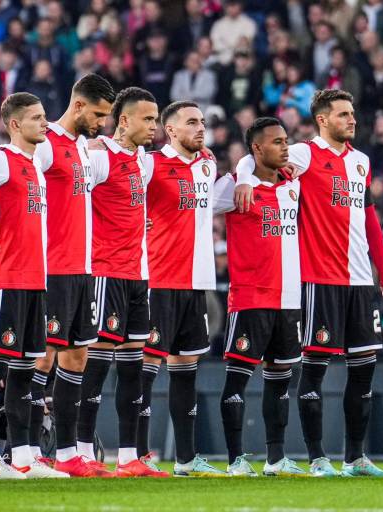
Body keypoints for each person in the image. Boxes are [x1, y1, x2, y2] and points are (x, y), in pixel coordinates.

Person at [235, 90, 383, 477]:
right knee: (315, 369)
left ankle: (355, 457)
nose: (352, 120)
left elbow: (370, 219)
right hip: (319, 279)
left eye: (353, 113)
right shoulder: (306, 155)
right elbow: (253, 157)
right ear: (323, 120)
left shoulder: (361, 162)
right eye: (343, 114)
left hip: (361, 282)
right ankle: (318, 457)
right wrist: (242, 178)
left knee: (363, 371)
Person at [0, 92, 67, 479]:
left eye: (45, 116)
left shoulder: (36, 167)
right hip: (5, 279)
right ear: (14, 125)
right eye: (37, 118)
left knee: (25, 372)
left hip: (34, 280)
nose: (45, 123)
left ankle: (24, 457)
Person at [79, 87, 168, 478]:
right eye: (148, 119)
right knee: (94, 365)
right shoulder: (99, 158)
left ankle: (129, 456)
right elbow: (69, 194)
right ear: (125, 120)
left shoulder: (143, 161)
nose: (155, 126)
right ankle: (81, 451)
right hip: (104, 272)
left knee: (132, 368)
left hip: (138, 274)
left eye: (156, 119)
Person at [31, 74, 116, 477]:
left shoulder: (84, 148)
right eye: (99, 114)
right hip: (52, 268)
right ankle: (27, 452)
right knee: (42, 358)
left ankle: (66, 454)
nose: (103, 123)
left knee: (78, 357)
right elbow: (15, 186)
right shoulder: (44, 143)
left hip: (83, 269)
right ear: (79, 106)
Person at [214, 117, 306, 477]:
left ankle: (275, 458)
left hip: (289, 298)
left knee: (280, 380)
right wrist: (243, 172)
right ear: (256, 149)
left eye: (286, 140)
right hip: (252, 297)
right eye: (277, 142)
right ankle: (236, 459)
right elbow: (193, 212)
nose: (285, 147)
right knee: (237, 380)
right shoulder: (236, 187)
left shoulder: (292, 183)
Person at [141, 101, 225, 477]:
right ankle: (137, 455)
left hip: (198, 283)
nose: (201, 128)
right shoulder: (151, 165)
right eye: (192, 122)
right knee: (145, 368)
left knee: (186, 369)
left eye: (203, 122)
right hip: (159, 281)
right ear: (170, 130)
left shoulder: (207, 166)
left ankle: (186, 458)